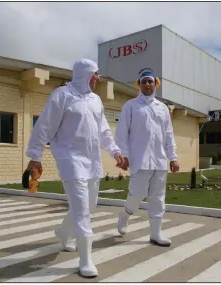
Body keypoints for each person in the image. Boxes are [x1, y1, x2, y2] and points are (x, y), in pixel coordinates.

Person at [24, 58, 126, 278]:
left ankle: (62, 232)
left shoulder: (96, 100)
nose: (98, 78)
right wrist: (35, 156)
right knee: (81, 209)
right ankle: (86, 260)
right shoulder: (61, 96)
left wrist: (115, 151)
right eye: (95, 74)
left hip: (92, 160)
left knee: (89, 205)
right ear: (83, 74)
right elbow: (44, 127)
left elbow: (104, 131)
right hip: (70, 159)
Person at [114, 69, 180, 247]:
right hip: (139, 160)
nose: (147, 85)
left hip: (159, 161)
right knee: (136, 197)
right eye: (144, 82)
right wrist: (124, 155)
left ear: (156, 84)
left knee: (157, 198)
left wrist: (173, 157)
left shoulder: (163, 108)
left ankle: (156, 234)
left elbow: (168, 134)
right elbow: (121, 133)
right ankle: (125, 216)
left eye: (150, 81)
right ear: (139, 85)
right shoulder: (131, 106)